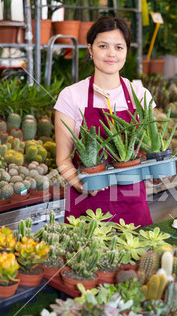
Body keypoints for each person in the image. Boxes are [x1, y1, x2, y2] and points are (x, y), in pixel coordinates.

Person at [54, 16, 154, 226]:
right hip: (86, 206)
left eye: (119, 47)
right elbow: (63, 159)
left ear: (127, 51)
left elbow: (149, 149)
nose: (111, 54)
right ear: (90, 49)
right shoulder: (71, 95)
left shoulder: (140, 94)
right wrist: (82, 186)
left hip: (133, 204)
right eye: (103, 46)